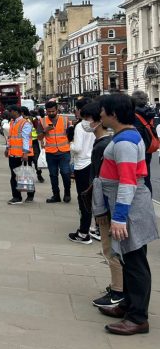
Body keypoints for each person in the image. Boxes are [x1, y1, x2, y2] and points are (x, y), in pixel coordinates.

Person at [94, 94, 158, 335]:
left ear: (113, 114)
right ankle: (129, 305)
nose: (100, 115)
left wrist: (120, 217)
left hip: (130, 208)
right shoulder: (125, 137)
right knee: (129, 259)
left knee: (135, 263)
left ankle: (138, 317)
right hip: (126, 205)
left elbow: (128, 182)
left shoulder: (125, 143)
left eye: (103, 111)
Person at [81, 99, 122, 309]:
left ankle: (117, 292)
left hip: (107, 206)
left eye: (87, 119)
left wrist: (100, 211)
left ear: (98, 120)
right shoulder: (107, 142)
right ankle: (118, 287)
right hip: (108, 205)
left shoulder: (103, 146)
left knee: (110, 250)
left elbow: (100, 182)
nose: (85, 123)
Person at [68, 97, 96, 243]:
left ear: (80, 110)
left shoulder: (80, 126)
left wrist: (70, 144)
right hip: (93, 164)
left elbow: (77, 148)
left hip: (82, 165)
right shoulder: (96, 124)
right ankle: (95, 228)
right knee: (92, 198)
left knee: (83, 198)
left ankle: (84, 232)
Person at [39, 100, 72, 203]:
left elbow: (71, 135)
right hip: (50, 152)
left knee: (65, 173)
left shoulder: (65, 120)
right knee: (53, 175)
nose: (51, 113)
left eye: (53, 111)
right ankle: (56, 195)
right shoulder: (42, 121)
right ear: (46, 111)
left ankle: (67, 193)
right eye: (49, 111)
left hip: (64, 152)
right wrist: (45, 131)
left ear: (57, 110)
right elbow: (39, 137)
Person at [5, 105, 34, 205]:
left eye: (10, 111)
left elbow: (25, 138)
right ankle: (17, 196)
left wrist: (25, 153)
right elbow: (10, 137)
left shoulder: (25, 123)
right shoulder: (13, 122)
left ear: (16, 112)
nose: (9, 113)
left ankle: (29, 195)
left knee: (25, 175)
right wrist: (7, 148)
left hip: (22, 155)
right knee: (14, 176)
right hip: (13, 154)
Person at [131, 90, 156, 194]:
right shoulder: (149, 112)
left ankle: (143, 199)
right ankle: (149, 199)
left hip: (139, 149)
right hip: (148, 148)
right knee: (147, 176)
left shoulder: (134, 115)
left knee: (139, 178)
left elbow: (136, 134)